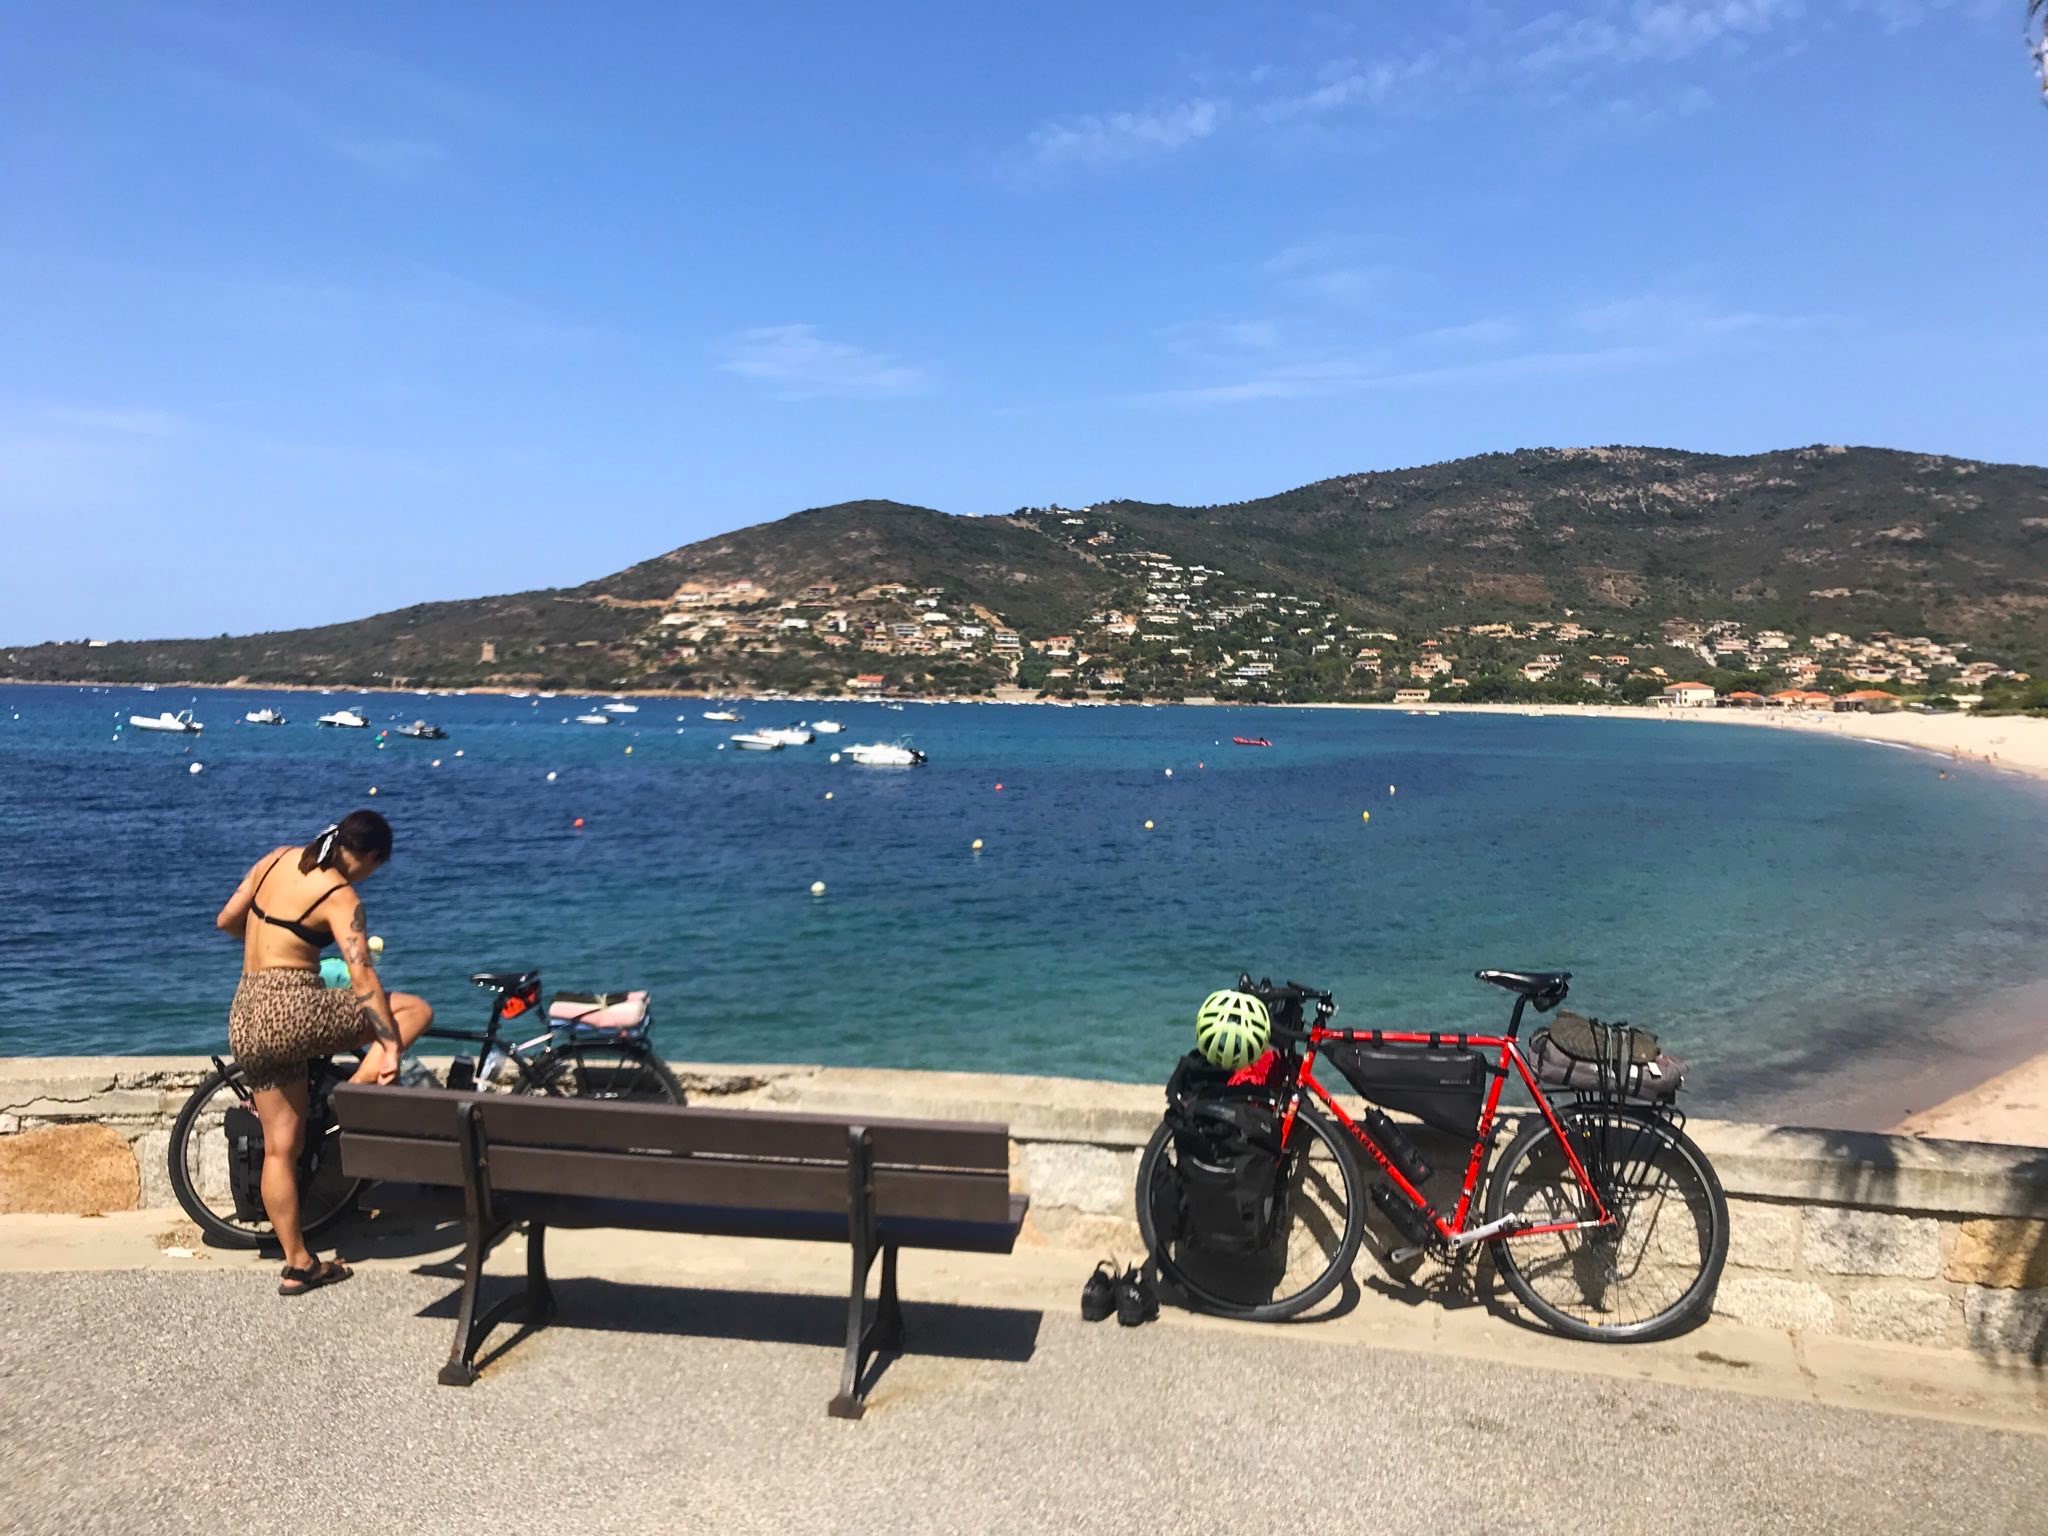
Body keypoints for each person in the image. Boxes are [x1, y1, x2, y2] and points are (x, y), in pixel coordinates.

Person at [214, 810, 434, 1295]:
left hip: (245, 1011)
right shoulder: (340, 895)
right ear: (370, 857)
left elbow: (227, 921)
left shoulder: (276, 859)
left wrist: (277, 941)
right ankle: (353, 1094)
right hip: (292, 1009)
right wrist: (389, 1047)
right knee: (414, 1009)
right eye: (375, 867)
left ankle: (299, 1265)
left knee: (280, 1147)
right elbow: (362, 975)